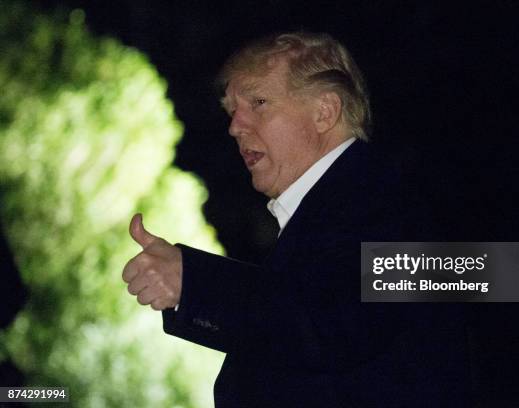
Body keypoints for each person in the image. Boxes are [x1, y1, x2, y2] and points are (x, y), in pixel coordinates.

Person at [122, 32, 471, 407]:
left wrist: (194, 282)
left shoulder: (384, 200)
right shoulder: (338, 211)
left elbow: (336, 319)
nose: (235, 126)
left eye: (258, 101)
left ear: (325, 112)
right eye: (231, 110)